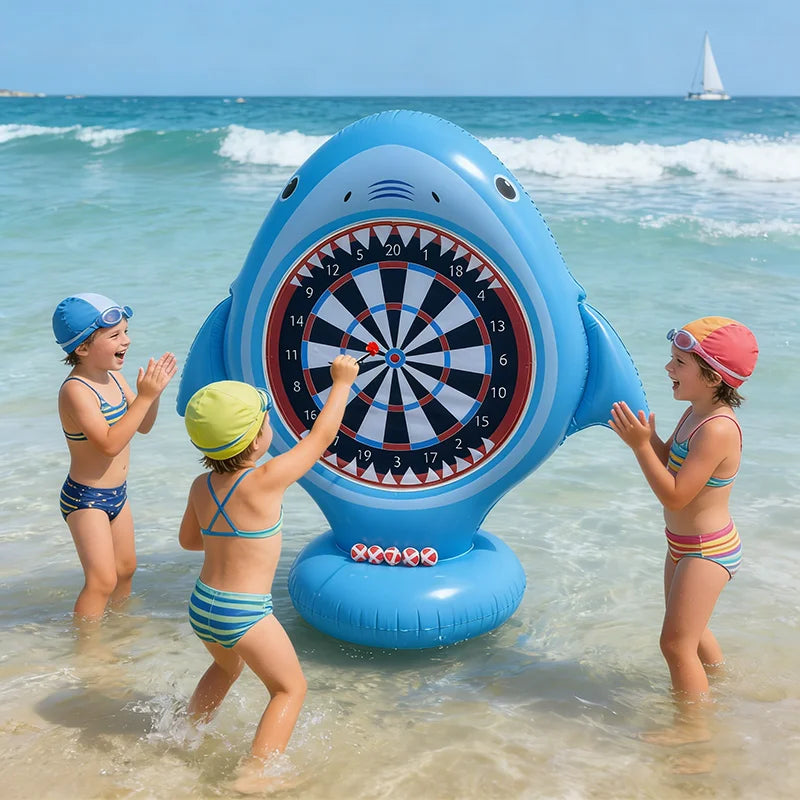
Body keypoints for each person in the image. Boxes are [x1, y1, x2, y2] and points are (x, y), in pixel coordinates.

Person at [178, 355, 359, 789]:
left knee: (225, 669)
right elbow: (321, 438)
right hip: (246, 613)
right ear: (258, 439)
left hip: (203, 605)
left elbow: (190, 540)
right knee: (289, 689)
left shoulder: (201, 486)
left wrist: (229, 535)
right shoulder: (267, 479)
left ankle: (185, 734)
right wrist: (342, 382)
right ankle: (255, 775)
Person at [609, 317, 758, 723]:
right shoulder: (694, 413)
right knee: (691, 634)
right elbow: (672, 465)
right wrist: (647, 439)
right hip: (682, 546)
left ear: (712, 377)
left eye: (679, 362)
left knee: (675, 645)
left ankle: (693, 730)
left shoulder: (718, 429)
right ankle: (720, 688)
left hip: (708, 551)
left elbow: (674, 493)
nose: (668, 369)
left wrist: (640, 447)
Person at [53, 293, 177, 621]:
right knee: (101, 580)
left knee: (125, 570)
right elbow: (108, 444)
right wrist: (145, 396)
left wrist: (154, 396)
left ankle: (118, 630)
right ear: (82, 349)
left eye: (126, 331)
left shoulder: (115, 378)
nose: (127, 340)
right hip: (85, 498)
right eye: (115, 335)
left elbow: (144, 426)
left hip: (117, 494)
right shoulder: (76, 391)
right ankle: (87, 646)